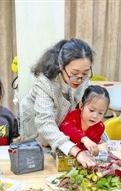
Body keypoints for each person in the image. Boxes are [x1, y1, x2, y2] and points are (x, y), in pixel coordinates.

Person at [20, 38, 97, 168]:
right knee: (43, 159)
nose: (80, 79)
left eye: (85, 73)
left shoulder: (83, 79)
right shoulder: (44, 83)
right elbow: (45, 123)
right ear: (61, 65)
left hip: (62, 126)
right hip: (36, 127)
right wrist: (76, 152)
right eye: (74, 73)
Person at [59, 85, 110, 156]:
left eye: (100, 113)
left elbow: (89, 150)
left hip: (82, 159)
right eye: (91, 110)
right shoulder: (74, 116)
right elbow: (66, 129)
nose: (95, 116)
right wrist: (84, 139)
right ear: (81, 106)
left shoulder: (100, 127)